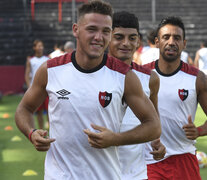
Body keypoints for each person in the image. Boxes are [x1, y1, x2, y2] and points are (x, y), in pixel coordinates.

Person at [15, 1, 161, 179]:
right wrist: (31, 133)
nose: (99, 37)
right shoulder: (50, 70)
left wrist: (116, 139)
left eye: (106, 31)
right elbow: (24, 109)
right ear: (76, 29)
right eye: (92, 29)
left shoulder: (125, 76)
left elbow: (153, 125)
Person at [143, 16, 207, 180]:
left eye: (177, 38)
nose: (171, 42)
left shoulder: (197, 78)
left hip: (184, 158)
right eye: (166, 37)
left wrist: (199, 131)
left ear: (184, 44)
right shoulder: (140, 75)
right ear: (157, 42)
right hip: (149, 160)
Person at [108, 11, 165, 180]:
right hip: (99, 171)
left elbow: (153, 120)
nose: (126, 43)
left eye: (132, 38)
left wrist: (157, 143)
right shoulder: (93, 74)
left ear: (138, 41)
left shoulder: (151, 78)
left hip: (136, 173)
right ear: (108, 37)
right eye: (118, 37)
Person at [24, 39, 49, 129]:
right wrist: (29, 87)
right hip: (36, 89)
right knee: (39, 112)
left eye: (42, 46)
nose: (41, 48)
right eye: (38, 46)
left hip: (46, 88)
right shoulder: (31, 60)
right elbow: (27, 75)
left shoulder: (47, 59)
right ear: (34, 48)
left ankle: (51, 130)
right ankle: (41, 131)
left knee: (49, 111)